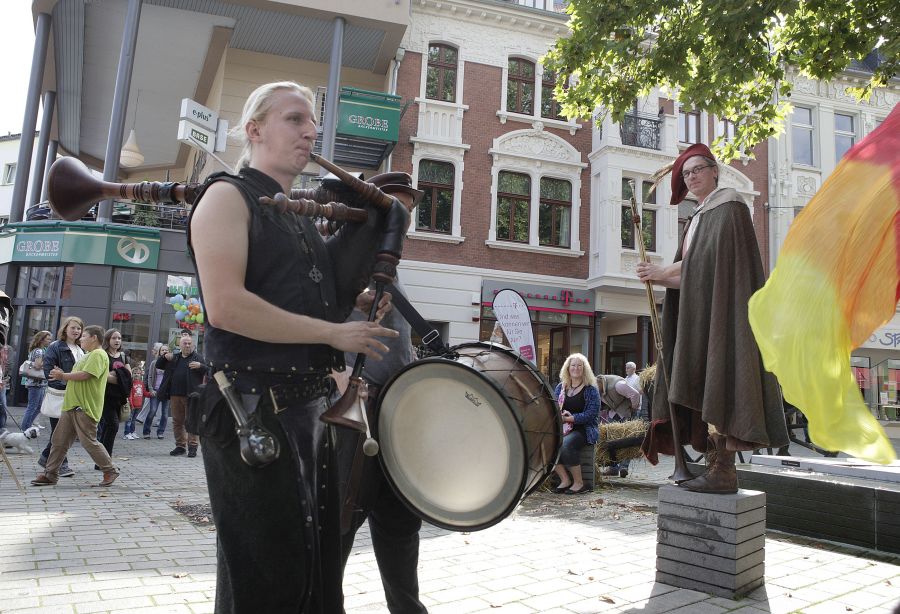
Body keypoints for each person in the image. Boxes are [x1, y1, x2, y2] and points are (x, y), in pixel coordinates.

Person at [187, 80, 399, 613]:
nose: (310, 133)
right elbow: (226, 307)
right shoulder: (225, 197)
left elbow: (304, 302)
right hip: (250, 410)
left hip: (306, 414)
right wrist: (332, 334)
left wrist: (356, 299)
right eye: (294, 119)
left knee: (311, 574)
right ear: (254, 129)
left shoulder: (294, 217)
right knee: (266, 579)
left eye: (313, 124)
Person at [637, 143, 788, 494]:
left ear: (714, 171)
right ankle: (712, 465)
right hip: (700, 315)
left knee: (722, 378)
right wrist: (659, 277)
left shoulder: (730, 206)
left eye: (697, 170)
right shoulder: (698, 216)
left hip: (723, 316)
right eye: (686, 173)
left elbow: (711, 267)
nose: (691, 177)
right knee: (705, 381)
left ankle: (724, 471)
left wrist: (662, 272)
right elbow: (694, 275)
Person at [335, 177, 428, 614]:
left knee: (400, 525)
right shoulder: (347, 258)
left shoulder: (392, 266)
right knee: (340, 524)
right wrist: (336, 375)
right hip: (356, 416)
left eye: (406, 212)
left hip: (395, 415)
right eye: (394, 208)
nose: (401, 220)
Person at [31, 325, 119, 487]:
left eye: (84, 336)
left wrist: (63, 375)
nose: (81, 338)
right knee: (58, 441)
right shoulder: (88, 355)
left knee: (89, 441)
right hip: (72, 405)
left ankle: (110, 470)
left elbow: (86, 375)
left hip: (84, 406)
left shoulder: (99, 354)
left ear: (94, 338)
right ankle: (50, 474)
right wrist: (62, 374)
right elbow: (78, 375)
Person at [38, 316, 85, 478]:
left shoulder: (81, 349)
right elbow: (49, 373)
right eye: (73, 327)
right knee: (60, 432)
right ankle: (61, 464)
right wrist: (66, 382)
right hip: (60, 396)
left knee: (63, 431)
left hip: (75, 396)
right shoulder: (56, 347)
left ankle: (45, 458)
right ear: (65, 329)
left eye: (79, 328)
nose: (76, 331)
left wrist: (66, 377)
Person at [551, 353, 600, 495]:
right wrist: (561, 415)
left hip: (584, 429)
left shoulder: (591, 389)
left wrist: (571, 418)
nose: (576, 368)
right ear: (568, 368)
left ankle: (579, 483)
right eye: (573, 365)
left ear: (585, 369)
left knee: (566, 444)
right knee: (547, 444)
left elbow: (591, 414)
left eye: (580, 365)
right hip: (563, 427)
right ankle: (565, 480)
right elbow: (554, 407)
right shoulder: (561, 387)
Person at [156, 334, 205, 457]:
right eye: (185, 343)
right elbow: (158, 365)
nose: (187, 345)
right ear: (180, 345)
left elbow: (209, 371)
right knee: (177, 421)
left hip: (192, 396)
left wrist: (201, 366)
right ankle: (180, 446)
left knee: (191, 421)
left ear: (193, 345)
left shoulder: (198, 358)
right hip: (175, 394)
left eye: (189, 343)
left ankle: (193, 446)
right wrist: (164, 356)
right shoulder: (174, 357)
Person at [97, 328, 132, 456]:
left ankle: (102, 459)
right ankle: (106, 458)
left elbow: (129, 377)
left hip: (119, 397)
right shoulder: (102, 354)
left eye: (119, 338)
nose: (117, 340)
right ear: (107, 339)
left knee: (108, 427)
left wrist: (116, 376)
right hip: (105, 396)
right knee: (113, 425)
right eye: (114, 338)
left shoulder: (123, 356)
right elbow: (103, 376)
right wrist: (121, 377)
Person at [20, 330, 52, 431]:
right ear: (41, 340)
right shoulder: (39, 351)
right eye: (48, 339)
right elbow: (38, 365)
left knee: (37, 407)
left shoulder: (38, 350)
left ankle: (27, 426)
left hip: (38, 382)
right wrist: (48, 362)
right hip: (36, 383)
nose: (50, 341)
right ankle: (25, 428)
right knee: (33, 406)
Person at [141, 343, 168, 439]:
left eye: (166, 350)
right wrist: (151, 389)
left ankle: (160, 432)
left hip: (165, 392)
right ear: (159, 352)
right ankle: (146, 431)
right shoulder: (154, 362)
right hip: (155, 391)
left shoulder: (171, 363)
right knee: (152, 411)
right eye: (163, 350)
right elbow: (150, 377)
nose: (165, 351)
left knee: (165, 415)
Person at [122, 365, 145, 439]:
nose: (136, 375)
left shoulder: (141, 383)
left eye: (138, 373)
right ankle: (127, 433)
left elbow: (144, 393)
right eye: (135, 373)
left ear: (140, 374)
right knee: (129, 419)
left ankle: (132, 432)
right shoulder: (131, 383)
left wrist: (150, 394)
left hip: (139, 405)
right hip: (132, 405)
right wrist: (131, 404)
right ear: (132, 374)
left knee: (133, 420)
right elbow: (130, 395)